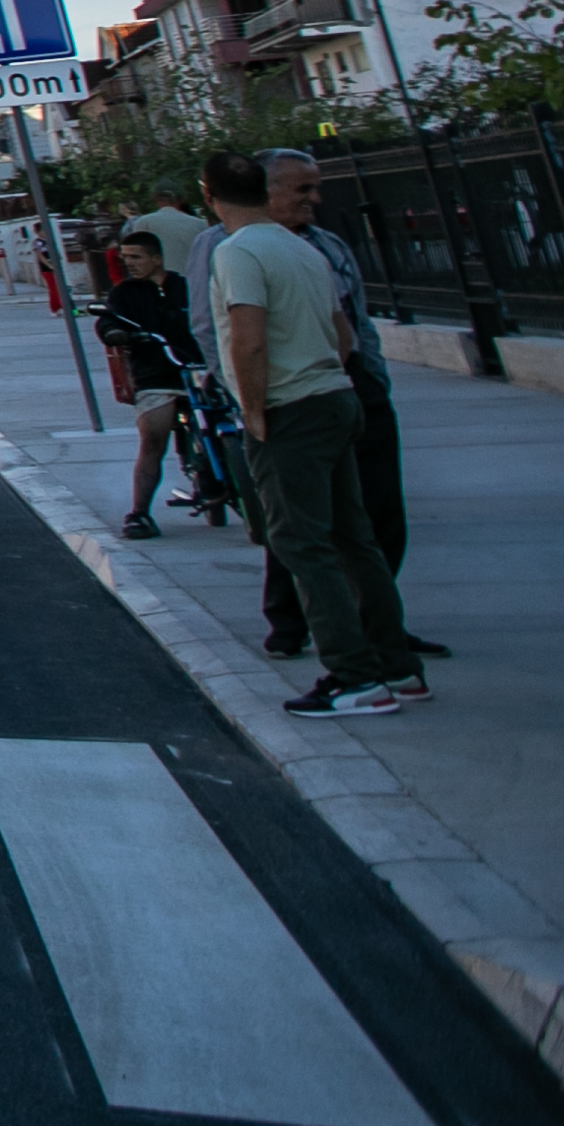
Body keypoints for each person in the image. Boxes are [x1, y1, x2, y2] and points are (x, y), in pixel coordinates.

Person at [205, 150, 419, 717]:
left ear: (210, 196)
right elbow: (343, 333)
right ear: (264, 190)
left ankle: (353, 676)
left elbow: (248, 339)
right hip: (335, 396)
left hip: (289, 407)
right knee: (355, 540)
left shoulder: (237, 251)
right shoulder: (305, 248)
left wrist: (253, 409)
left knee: (302, 544)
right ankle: (397, 667)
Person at [255, 149, 441, 664]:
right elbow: (216, 329)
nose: (315, 199)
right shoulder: (233, 248)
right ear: (266, 191)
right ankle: (292, 625)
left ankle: (380, 627)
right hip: (290, 392)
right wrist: (248, 400)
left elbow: (356, 321)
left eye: (316, 187)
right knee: (299, 521)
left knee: (376, 514)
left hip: (351, 384)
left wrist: (372, 380)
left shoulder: (328, 245)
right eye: (302, 189)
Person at [92, 229, 213, 538]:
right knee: (153, 439)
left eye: (136, 257)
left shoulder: (186, 287)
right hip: (155, 375)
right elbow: (108, 318)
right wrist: (113, 332)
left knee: (232, 421)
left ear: (157, 259)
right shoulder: (124, 293)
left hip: (200, 369)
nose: (130, 263)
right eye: (126, 258)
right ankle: (139, 513)